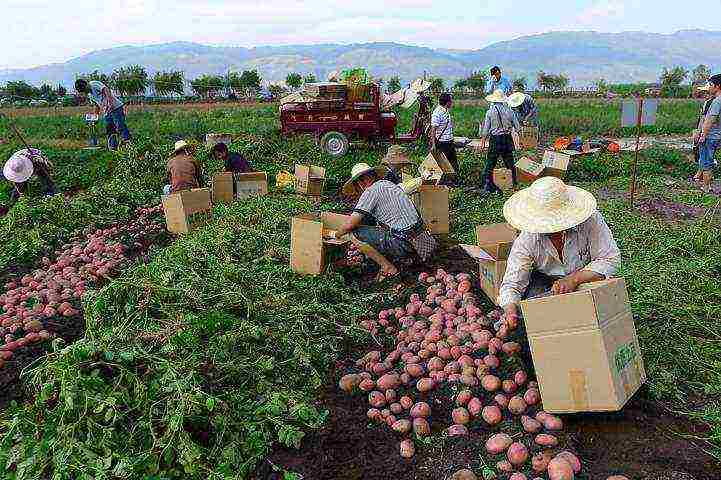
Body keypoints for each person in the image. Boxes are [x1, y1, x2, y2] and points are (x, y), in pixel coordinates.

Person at [498, 176, 621, 326]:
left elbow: (610, 259)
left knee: (600, 315)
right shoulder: (527, 240)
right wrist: (510, 310)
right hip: (549, 283)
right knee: (537, 315)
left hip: (587, 278)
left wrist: (574, 279)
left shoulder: (590, 221)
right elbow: (512, 284)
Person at [335, 163, 437, 281]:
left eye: (361, 180)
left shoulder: (371, 192)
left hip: (406, 244)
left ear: (366, 179)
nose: (361, 184)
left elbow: (350, 224)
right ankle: (407, 257)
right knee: (377, 227)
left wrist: (336, 235)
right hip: (423, 240)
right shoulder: (388, 184)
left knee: (354, 234)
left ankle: (388, 268)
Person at [479, 89, 520, 193]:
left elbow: (485, 130)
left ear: (493, 100)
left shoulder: (489, 112)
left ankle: (487, 185)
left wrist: (483, 143)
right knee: (510, 163)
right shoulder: (510, 111)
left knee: (490, 163)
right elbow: (518, 127)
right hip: (507, 138)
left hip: (495, 140)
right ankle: (513, 184)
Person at [75, 78, 131, 151]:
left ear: (86, 85)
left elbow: (106, 90)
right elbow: (96, 105)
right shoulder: (90, 95)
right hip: (107, 112)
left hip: (116, 108)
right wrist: (95, 116)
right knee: (110, 129)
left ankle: (128, 145)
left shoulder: (94, 84)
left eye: (85, 90)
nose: (86, 92)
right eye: (84, 91)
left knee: (120, 126)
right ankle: (113, 148)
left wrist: (110, 104)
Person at [694, 74, 721, 192]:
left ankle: (706, 187)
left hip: (710, 136)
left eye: (711, 85)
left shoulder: (716, 102)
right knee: (708, 159)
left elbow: (710, 119)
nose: (709, 87)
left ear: (717, 86)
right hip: (717, 135)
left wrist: (702, 135)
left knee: (706, 162)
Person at [429, 93, 459, 174]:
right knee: (445, 164)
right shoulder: (437, 113)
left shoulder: (445, 110)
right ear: (447, 102)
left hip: (449, 142)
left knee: (453, 163)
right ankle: (446, 181)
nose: (452, 103)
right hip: (443, 143)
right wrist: (433, 145)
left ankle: (453, 180)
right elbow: (433, 130)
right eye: (451, 101)